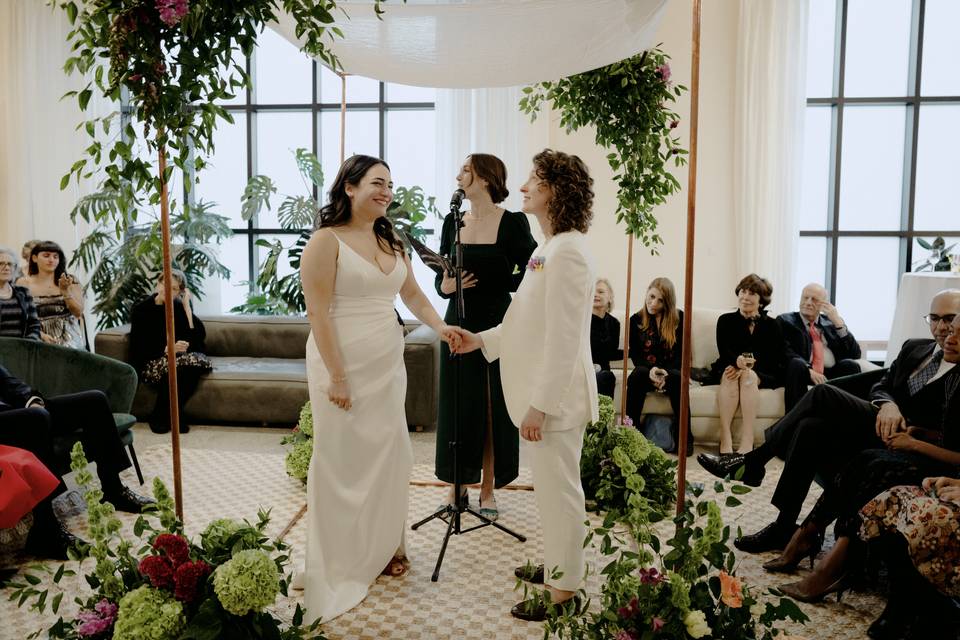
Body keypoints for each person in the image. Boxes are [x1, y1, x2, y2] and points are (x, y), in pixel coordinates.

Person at [299, 154, 458, 622]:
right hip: (339, 361)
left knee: (392, 453)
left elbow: (411, 294)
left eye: (390, 184)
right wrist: (339, 376)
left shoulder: (389, 238)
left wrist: (441, 327)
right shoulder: (324, 242)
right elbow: (318, 313)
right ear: (349, 187)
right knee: (341, 457)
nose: (387, 191)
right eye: (377, 183)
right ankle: (342, 556)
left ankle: (387, 544)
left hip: (386, 361)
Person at [451, 149, 598, 621]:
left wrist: (540, 405)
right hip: (544, 395)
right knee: (551, 493)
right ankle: (559, 565)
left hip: (555, 401)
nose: (523, 186)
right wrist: (480, 340)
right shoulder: (548, 247)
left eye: (534, 179)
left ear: (556, 189)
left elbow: (563, 339)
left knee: (561, 493)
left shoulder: (569, 251)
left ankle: (564, 593)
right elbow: (522, 321)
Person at [704, 289, 960, 554]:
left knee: (823, 392)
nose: (941, 327)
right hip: (879, 422)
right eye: (934, 318)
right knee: (809, 427)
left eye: (949, 319)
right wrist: (887, 404)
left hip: (906, 440)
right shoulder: (914, 347)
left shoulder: (958, 363)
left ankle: (756, 460)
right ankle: (784, 525)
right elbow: (881, 384)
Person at [434, 153, 537, 521]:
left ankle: (488, 488)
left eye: (466, 169)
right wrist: (445, 286)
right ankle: (456, 486)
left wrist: (503, 284)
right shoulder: (452, 221)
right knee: (459, 407)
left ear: (486, 178)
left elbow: (534, 268)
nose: (458, 174)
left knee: (492, 408)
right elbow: (441, 273)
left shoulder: (513, 222)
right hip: (457, 320)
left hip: (496, 323)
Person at [0, 364, 153, 558]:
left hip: (14, 411)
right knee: (37, 419)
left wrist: (31, 400)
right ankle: (45, 531)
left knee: (94, 401)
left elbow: (7, 381)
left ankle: (114, 490)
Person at [708, 274, 785, 456]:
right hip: (729, 365)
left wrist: (748, 367)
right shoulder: (725, 320)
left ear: (761, 301)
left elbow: (774, 357)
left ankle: (747, 439)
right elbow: (724, 349)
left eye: (752, 293)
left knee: (748, 376)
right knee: (730, 375)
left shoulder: (773, 325)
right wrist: (736, 362)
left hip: (761, 371)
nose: (745, 297)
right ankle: (725, 438)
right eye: (743, 291)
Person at [129, 270, 209, 434]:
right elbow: (139, 347)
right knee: (183, 367)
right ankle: (170, 416)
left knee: (194, 365)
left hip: (177, 360)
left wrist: (187, 307)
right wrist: (166, 349)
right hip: (150, 361)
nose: (168, 290)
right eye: (165, 285)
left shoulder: (178, 308)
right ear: (158, 284)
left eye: (174, 289)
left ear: (179, 292)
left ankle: (167, 415)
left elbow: (198, 338)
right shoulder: (141, 310)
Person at [624, 277, 692, 455]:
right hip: (647, 371)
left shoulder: (680, 318)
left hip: (669, 373)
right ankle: (632, 436)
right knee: (638, 374)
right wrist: (652, 370)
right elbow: (636, 354)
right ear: (647, 292)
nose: (653, 303)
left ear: (667, 303)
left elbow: (682, 354)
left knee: (678, 377)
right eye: (652, 296)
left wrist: (665, 373)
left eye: (660, 300)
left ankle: (684, 440)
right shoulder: (635, 320)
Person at [778, 283, 861, 411]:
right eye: (805, 298)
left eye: (815, 299)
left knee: (851, 365)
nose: (808, 302)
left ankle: (848, 418)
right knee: (797, 364)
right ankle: (794, 423)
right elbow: (783, 350)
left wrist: (838, 322)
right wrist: (808, 369)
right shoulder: (785, 320)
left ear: (824, 304)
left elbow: (855, 354)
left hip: (827, 374)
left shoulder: (830, 323)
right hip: (801, 372)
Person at [17, 240, 86, 349]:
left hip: (70, 338)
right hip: (38, 337)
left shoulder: (70, 280)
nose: (51, 260)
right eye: (46, 256)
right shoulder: (23, 283)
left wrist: (65, 291)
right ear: (34, 258)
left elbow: (78, 313)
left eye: (55, 256)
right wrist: (40, 335)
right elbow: (21, 316)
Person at [0, 245, 41, 340]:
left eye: (10, 264)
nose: (6, 268)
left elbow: (34, 324)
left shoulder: (23, 292)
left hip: (21, 350)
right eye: (1, 263)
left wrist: (28, 344)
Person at [590, 278, 620, 399]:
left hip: (603, 371)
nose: (596, 295)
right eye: (593, 291)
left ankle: (603, 417)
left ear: (610, 297)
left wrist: (631, 353)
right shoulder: (582, 320)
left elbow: (611, 352)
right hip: (584, 369)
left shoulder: (614, 323)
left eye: (601, 292)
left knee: (606, 377)